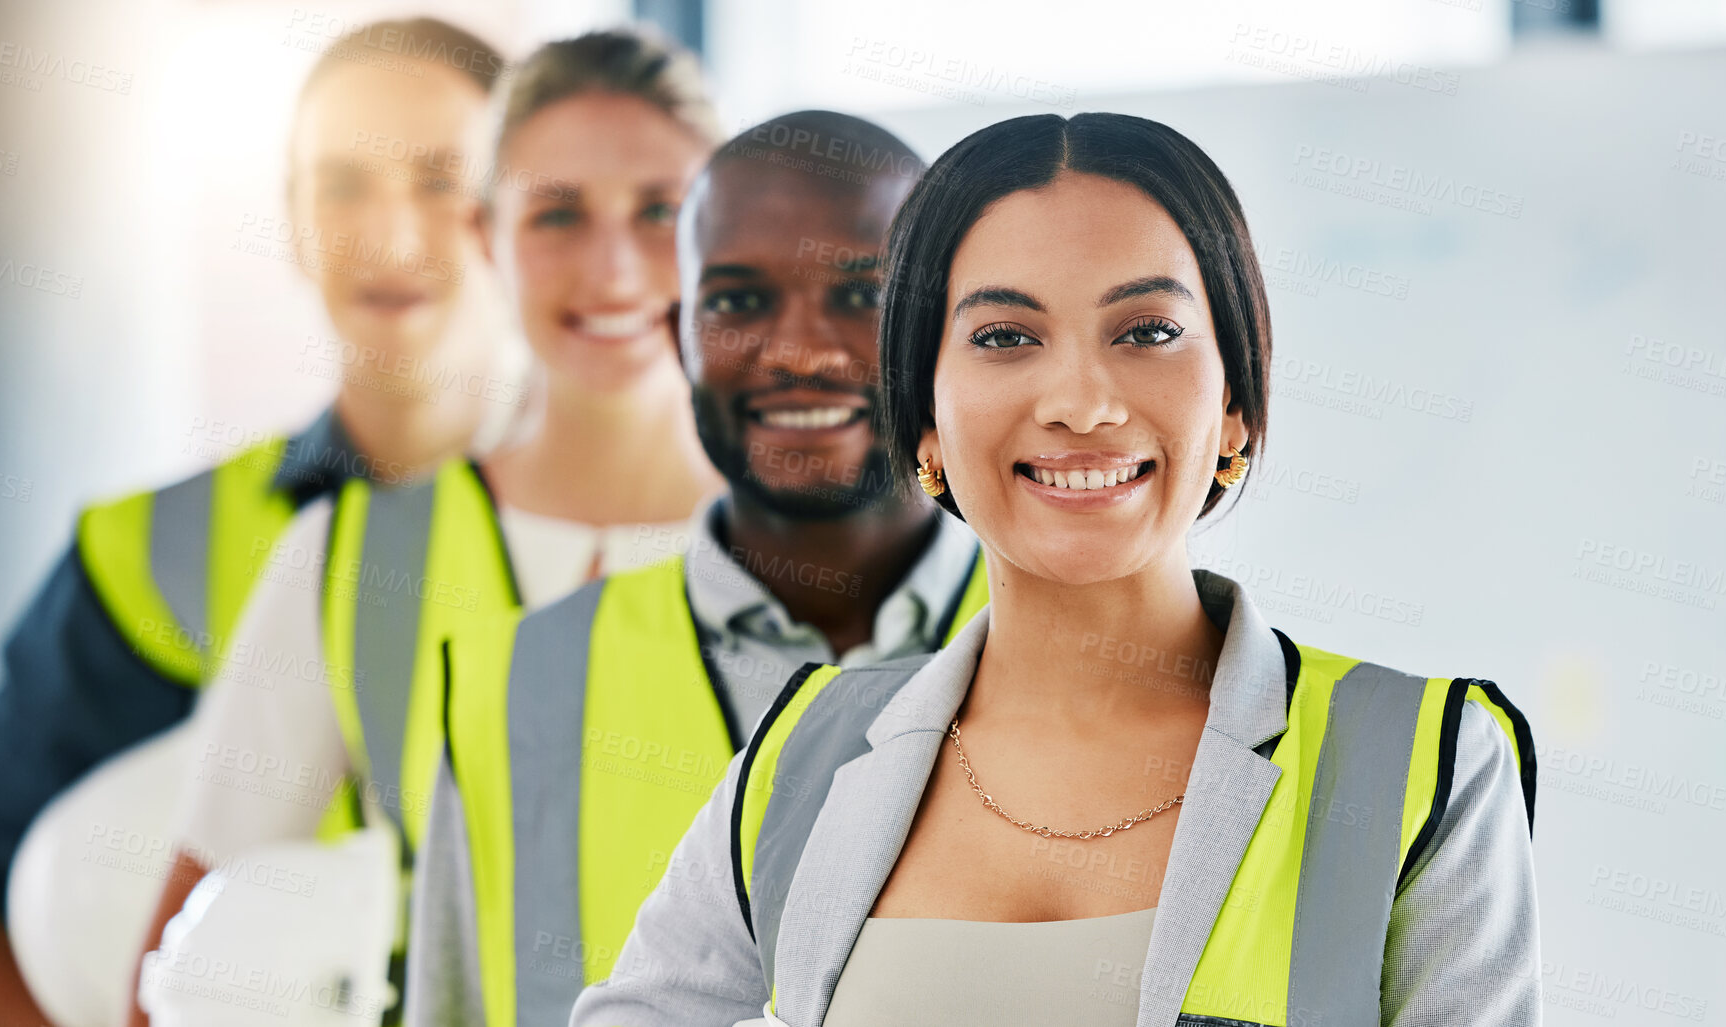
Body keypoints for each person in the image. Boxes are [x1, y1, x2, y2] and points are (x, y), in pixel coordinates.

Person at [572, 112, 1541, 1027]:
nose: (1080, 401)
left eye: (1147, 331)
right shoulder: (802, 757)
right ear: (924, 424)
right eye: (1004, 337)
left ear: (1236, 402)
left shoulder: (1421, 762)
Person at [0, 18, 515, 1027]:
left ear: (524, 210)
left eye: (444, 178)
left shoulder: (642, 536)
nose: (392, 235)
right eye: (342, 184)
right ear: (293, 223)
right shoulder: (156, 551)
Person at [126, 29, 729, 1026]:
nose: (613, 268)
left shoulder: (840, 564)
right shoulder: (348, 560)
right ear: (488, 235)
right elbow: (178, 972)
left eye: (661, 211)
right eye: (558, 213)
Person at [407, 109, 992, 1026]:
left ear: (943, 325)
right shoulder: (515, 685)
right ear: (678, 329)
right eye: (739, 301)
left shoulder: (1088, 657)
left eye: (860, 296)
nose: (799, 351)